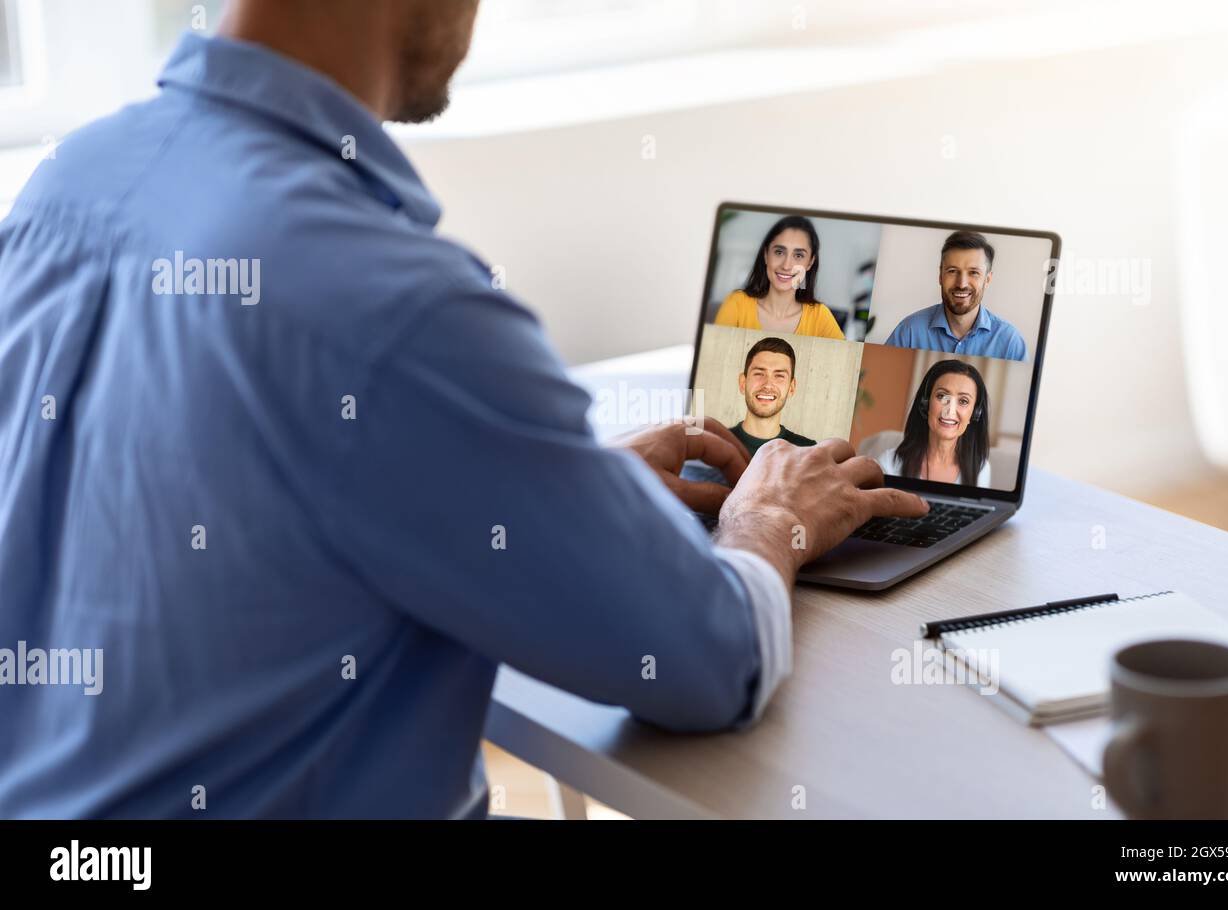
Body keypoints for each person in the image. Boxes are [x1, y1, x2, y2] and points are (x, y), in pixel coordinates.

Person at [0, 0, 928, 818]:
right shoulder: (395, 308)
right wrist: (770, 519)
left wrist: (547, 485)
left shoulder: (68, 183)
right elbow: (709, 664)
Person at [883, 231, 1027, 361]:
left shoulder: (1010, 343)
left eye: (973, 272)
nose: (962, 284)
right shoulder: (909, 331)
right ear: (940, 275)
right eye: (952, 271)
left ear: (987, 279)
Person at [713, 215, 845, 339]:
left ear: (810, 262)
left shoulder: (819, 316)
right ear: (766, 255)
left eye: (798, 255)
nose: (786, 266)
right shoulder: (737, 303)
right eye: (779, 252)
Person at [877, 360, 992, 487]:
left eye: (963, 401)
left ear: (975, 414)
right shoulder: (889, 463)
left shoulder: (980, 469)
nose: (950, 411)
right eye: (942, 396)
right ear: (925, 404)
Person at [728, 338, 816, 458]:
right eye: (759, 373)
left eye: (779, 376)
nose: (768, 385)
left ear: (791, 387)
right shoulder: (715, 444)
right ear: (743, 383)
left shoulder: (808, 452)